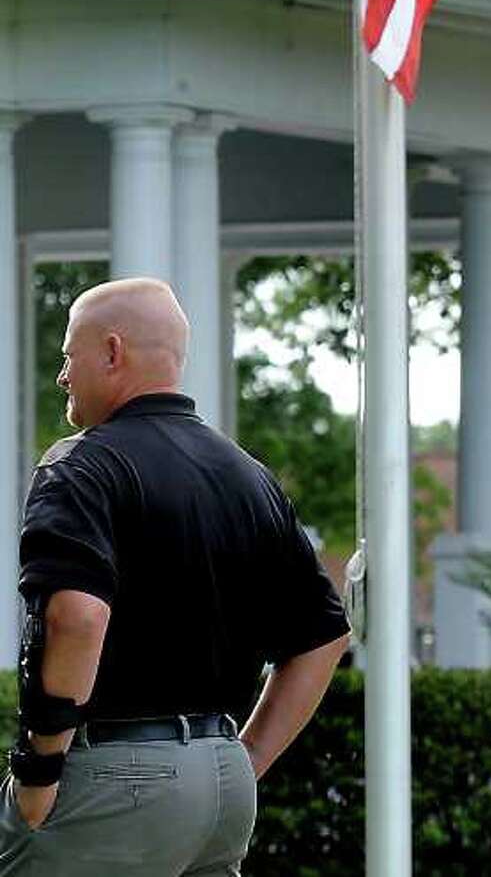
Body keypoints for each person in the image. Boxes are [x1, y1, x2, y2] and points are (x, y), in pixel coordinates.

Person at [1, 277, 351, 877]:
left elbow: (78, 617)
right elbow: (324, 636)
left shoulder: (79, 465)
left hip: (111, 779)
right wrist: (244, 757)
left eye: (68, 356)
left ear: (112, 352)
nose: (62, 376)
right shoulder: (248, 476)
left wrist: (38, 767)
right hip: (220, 789)